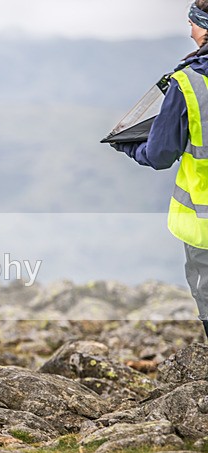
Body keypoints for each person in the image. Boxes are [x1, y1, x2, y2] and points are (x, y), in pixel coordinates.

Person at [113, 1, 208, 338]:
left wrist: (127, 145)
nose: (190, 30)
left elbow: (160, 154)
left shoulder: (190, 82)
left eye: (193, 22)